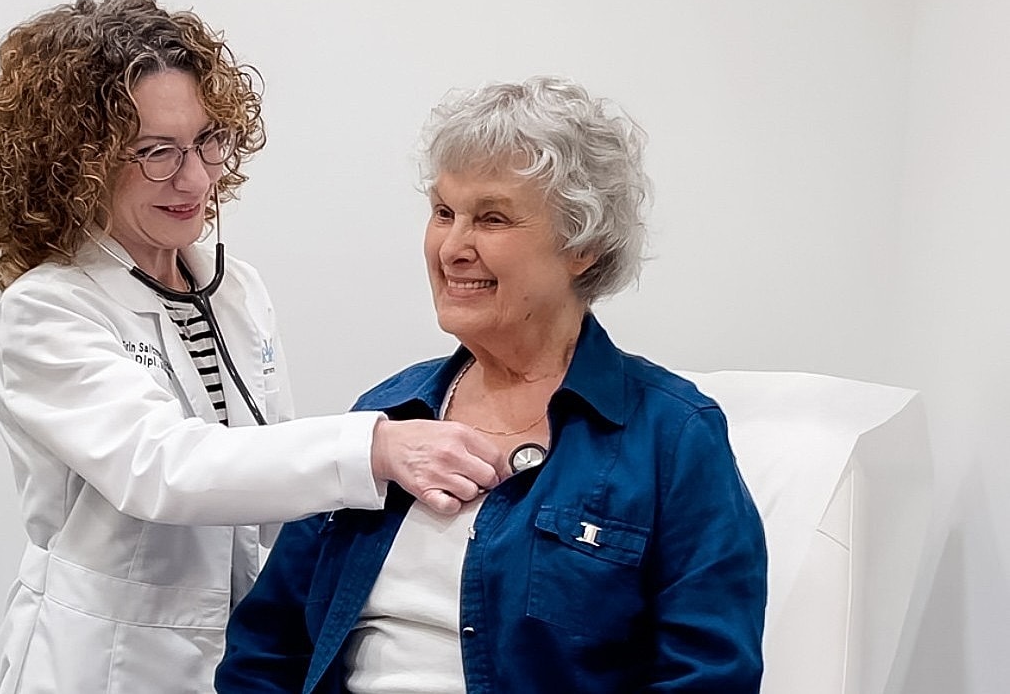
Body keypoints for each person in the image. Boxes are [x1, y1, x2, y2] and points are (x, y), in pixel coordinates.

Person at [0, 0, 502, 694]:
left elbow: (268, 477)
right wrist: (374, 446)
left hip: (237, 657)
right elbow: (164, 468)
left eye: (207, 142)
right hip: (107, 664)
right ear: (77, 163)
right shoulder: (51, 310)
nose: (194, 179)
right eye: (155, 152)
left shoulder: (232, 287)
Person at [217, 76, 768, 693]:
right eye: (444, 212)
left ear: (580, 245)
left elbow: (709, 676)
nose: (453, 247)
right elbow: (266, 649)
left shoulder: (672, 438)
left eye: (493, 219)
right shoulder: (388, 414)